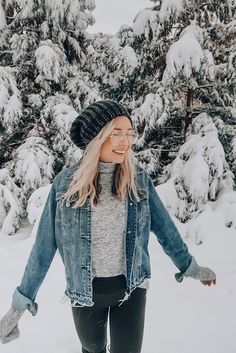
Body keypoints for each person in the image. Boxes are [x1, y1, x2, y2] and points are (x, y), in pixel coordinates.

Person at [0, 100, 216, 352]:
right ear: (96, 138)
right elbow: (43, 248)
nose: (125, 142)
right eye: (116, 134)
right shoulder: (65, 186)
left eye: (129, 134)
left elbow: (166, 230)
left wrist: (190, 267)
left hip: (132, 288)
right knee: (93, 348)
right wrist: (18, 306)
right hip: (85, 293)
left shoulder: (139, 181)